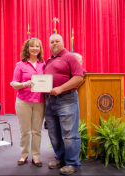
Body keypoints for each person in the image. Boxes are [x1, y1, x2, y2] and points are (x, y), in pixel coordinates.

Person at [43, 34, 83, 175]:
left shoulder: (70, 57)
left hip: (66, 99)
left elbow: (78, 77)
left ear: (63, 42)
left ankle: (73, 163)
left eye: (57, 41)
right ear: (49, 44)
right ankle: (60, 158)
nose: (54, 43)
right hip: (49, 100)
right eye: (52, 41)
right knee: (54, 133)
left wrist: (61, 88)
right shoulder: (48, 60)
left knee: (69, 134)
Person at [10, 38, 45, 167]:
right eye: (32, 46)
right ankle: (24, 155)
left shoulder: (44, 65)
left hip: (40, 102)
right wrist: (24, 84)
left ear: (40, 49)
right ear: (27, 49)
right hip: (23, 102)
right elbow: (14, 83)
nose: (35, 48)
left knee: (37, 131)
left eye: (37, 46)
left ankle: (36, 157)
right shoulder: (20, 65)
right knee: (25, 131)